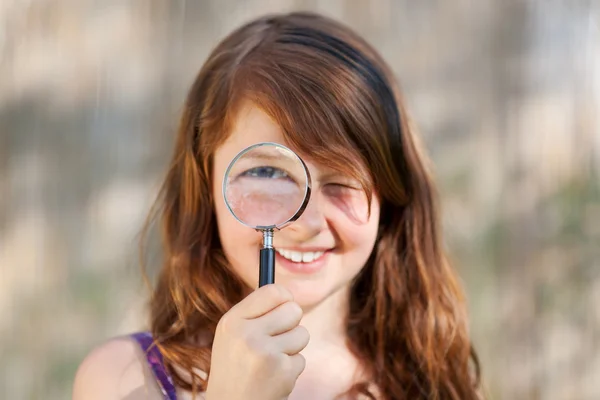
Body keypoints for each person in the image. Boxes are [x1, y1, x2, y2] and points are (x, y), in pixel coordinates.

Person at [73, 11, 482, 400]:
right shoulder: (125, 377)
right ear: (205, 183)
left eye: (342, 181)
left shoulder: (435, 383)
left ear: (391, 193)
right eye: (267, 174)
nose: (304, 223)